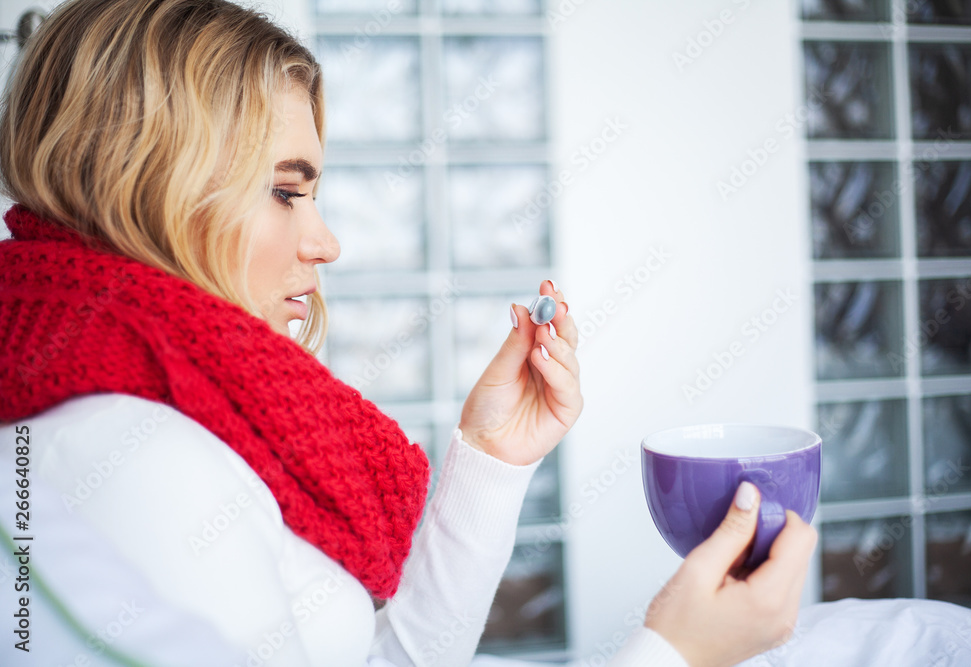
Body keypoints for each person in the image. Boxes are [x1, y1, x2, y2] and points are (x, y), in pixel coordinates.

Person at [0, 1, 817, 665]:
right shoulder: (132, 455)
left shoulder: (153, 407)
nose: (326, 243)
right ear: (149, 185)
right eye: (285, 191)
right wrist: (678, 652)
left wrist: (492, 457)